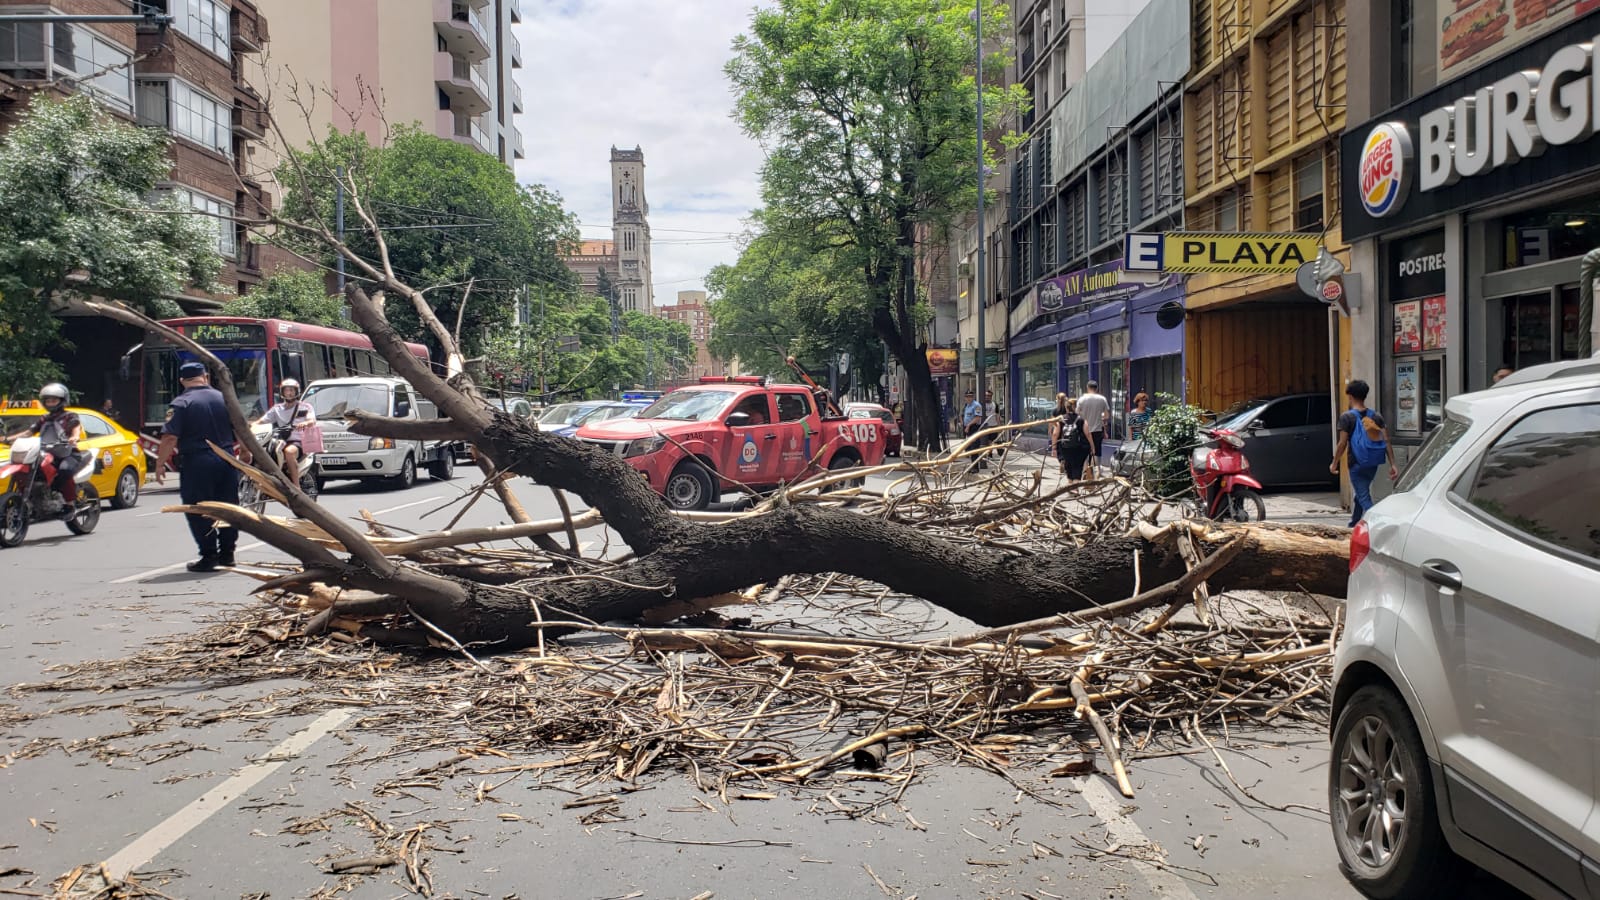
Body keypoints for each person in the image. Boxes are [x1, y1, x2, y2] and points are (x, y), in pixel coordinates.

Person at [156, 361, 243, 572]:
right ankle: (228, 553)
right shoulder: (225, 398)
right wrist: (247, 452)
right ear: (205, 377)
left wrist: (159, 464)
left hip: (198, 462)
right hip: (227, 459)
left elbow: (169, 438)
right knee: (228, 507)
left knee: (199, 509)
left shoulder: (181, 403)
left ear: (182, 381)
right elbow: (240, 426)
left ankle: (209, 555)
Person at [4, 384, 88, 519]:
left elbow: (75, 428)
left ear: (62, 400)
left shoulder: (70, 416)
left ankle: (70, 505)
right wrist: (7, 438)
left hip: (67, 453)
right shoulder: (44, 418)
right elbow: (28, 433)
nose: (50, 403)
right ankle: (34, 498)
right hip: (47, 453)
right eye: (48, 400)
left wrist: (74, 437)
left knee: (64, 470)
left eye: (53, 400)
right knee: (31, 469)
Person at [1331, 379, 1398, 528]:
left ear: (1350, 396)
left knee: (1363, 496)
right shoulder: (1376, 416)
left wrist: (1335, 463)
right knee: (1361, 492)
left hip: (1356, 463)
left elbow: (1342, 444)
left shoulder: (1347, 417)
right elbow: (1386, 441)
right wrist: (1393, 464)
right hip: (1372, 462)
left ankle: (1379, 526)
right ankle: (1354, 523)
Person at [255, 379, 316, 485]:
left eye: (292, 390)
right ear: (282, 392)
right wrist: (251, 425)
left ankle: (296, 488)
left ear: (297, 391)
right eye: (286, 390)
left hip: (298, 442)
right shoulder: (277, 409)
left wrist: (305, 424)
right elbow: (262, 421)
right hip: (280, 441)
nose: (289, 393)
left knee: (289, 452)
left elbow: (312, 420)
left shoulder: (305, 407)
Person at [1049, 393, 1091, 481]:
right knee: (1077, 465)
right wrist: (1092, 446)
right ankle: (1075, 485)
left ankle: (1069, 479)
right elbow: (1087, 433)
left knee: (1068, 462)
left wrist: (1053, 447)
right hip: (1077, 443)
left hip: (1063, 441)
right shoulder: (1080, 419)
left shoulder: (1056, 412)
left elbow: (1054, 430)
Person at [1075, 380, 1111, 477]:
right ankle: (1098, 469)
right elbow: (1107, 416)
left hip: (1085, 429)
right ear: (1097, 388)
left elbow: (1077, 414)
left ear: (1087, 387)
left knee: (1085, 450)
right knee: (1097, 450)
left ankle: (1086, 469)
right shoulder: (1102, 399)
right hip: (1097, 429)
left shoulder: (1082, 399)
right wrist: (1100, 417)